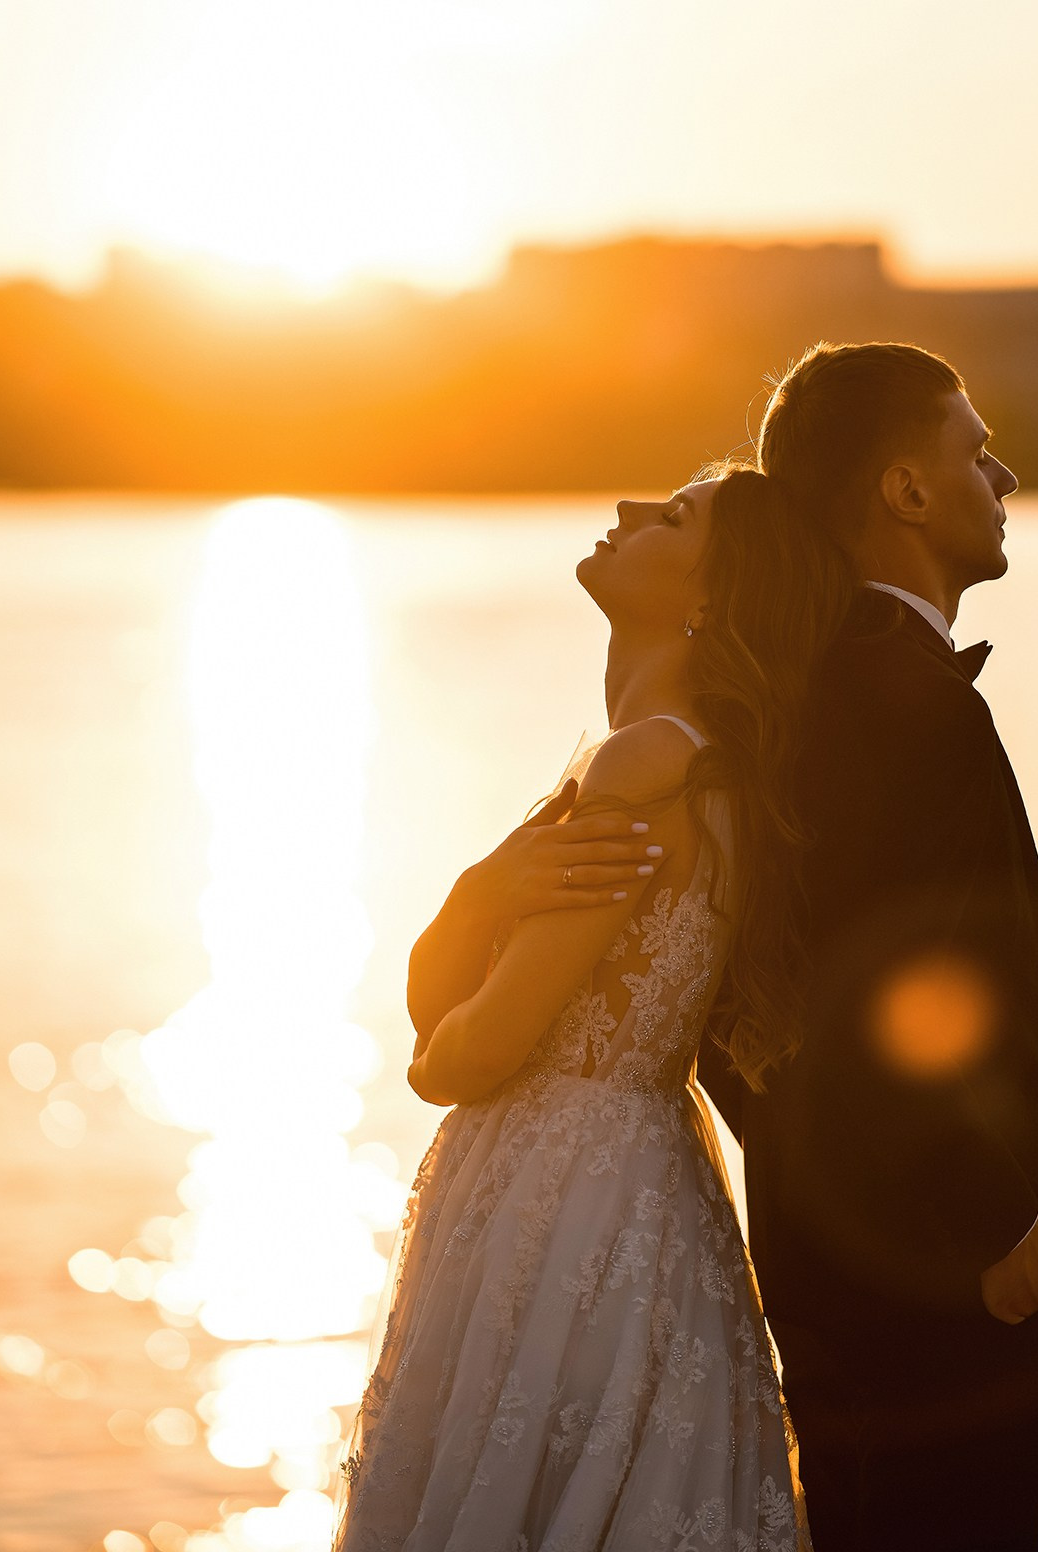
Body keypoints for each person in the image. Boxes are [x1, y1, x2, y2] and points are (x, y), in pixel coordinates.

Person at [334, 466, 846, 1552]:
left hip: (558, 1200)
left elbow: (468, 1053)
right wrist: (484, 893)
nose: (623, 514)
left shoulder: (641, 763)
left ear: (710, 598)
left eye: (671, 519)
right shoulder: (707, 768)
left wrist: (471, 909)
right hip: (641, 1185)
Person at [697, 341, 1038, 1552]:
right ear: (902, 491)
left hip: (827, 1255)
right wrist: (997, 1229)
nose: (1002, 482)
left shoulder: (789, 691)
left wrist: (801, 1175)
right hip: (944, 1283)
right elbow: (933, 990)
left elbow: (725, 998)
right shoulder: (908, 703)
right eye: (974, 452)